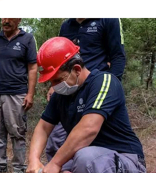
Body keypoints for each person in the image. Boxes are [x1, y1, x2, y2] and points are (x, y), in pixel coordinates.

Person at [26, 37, 147, 173]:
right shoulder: (60, 96)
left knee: (85, 157)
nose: (54, 86)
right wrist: (34, 161)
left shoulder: (105, 82)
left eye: (57, 79)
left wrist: (55, 163)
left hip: (127, 163)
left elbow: (89, 128)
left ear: (76, 69)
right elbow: (43, 128)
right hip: (92, 164)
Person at [46, 18, 126, 164]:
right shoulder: (66, 25)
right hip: (69, 89)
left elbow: (117, 56)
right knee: (56, 139)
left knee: (92, 138)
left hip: (97, 89)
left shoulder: (108, 19)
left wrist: (111, 87)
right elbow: (59, 60)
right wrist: (54, 85)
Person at [0, 18, 38, 173]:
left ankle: (19, 166)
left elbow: (32, 68)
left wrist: (30, 93)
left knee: (17, 131)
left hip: (17, 92)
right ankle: (0, 165)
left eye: (10, 18)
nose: (6, 21)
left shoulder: (27, 39)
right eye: (3, 17)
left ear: (18, 19)